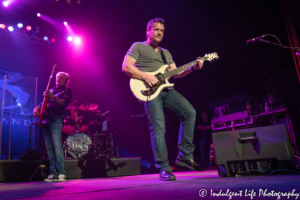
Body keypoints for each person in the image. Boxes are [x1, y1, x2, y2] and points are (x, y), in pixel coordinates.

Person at [122, 18, 205, 181]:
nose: (159, 32)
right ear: (148, 31)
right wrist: (145, 76)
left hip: (166, 90)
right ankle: (164, 168)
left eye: (162, 30)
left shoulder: (165, 53)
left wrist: (193, 67)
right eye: (156, 29)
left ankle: (185, 156)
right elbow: (126, 66)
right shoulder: (138, 46)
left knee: (189, 112)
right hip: (148, 91)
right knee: (159, 127)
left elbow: (176, 73)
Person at [33, 72, 72, 182]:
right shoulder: (51, 90)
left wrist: (53, 97)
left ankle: (62, 173)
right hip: (45, 120)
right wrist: (36, 109)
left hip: (56, 120)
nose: (58, 79)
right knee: (49, 148)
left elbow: (64, 104)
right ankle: (53, 173)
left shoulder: (66, 91)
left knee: (57, 146)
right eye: (57, 77)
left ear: (65, 81)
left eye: (61, 78)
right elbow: (42, 104)